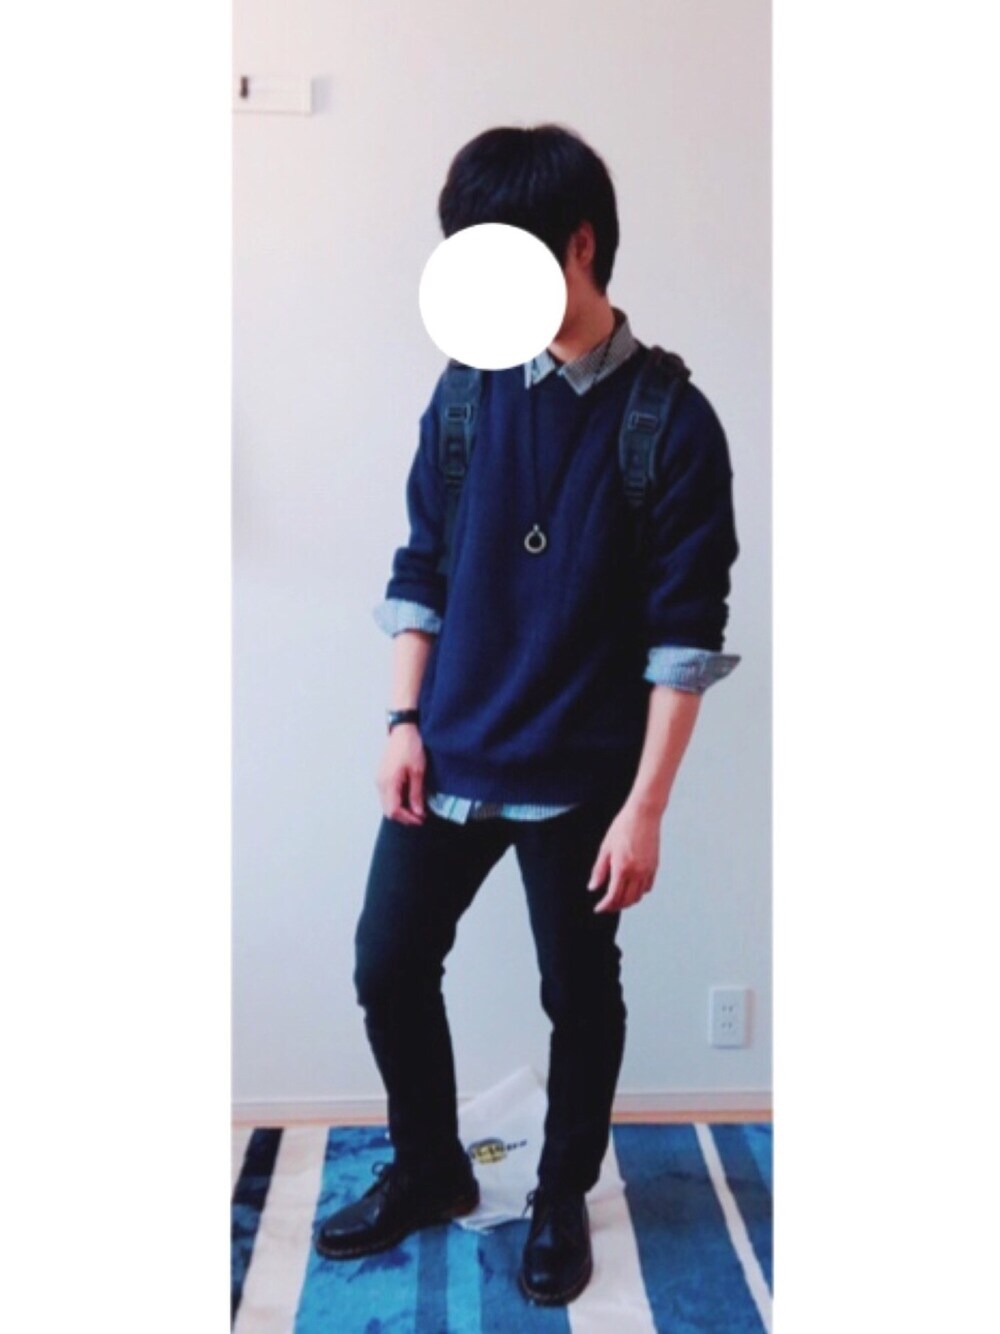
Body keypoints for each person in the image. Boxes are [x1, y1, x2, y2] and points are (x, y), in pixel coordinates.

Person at [314, 122, 741, 1307]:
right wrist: (401, 721)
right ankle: (430, 1166)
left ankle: (559, 1194)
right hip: (448, 749)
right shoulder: (463, 393)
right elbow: (422, 568)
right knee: (388, 962)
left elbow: (683, 639)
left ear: (580, 244)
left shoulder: (670, 422)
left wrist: (645, 807)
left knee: (578, 994)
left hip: (583, 772)